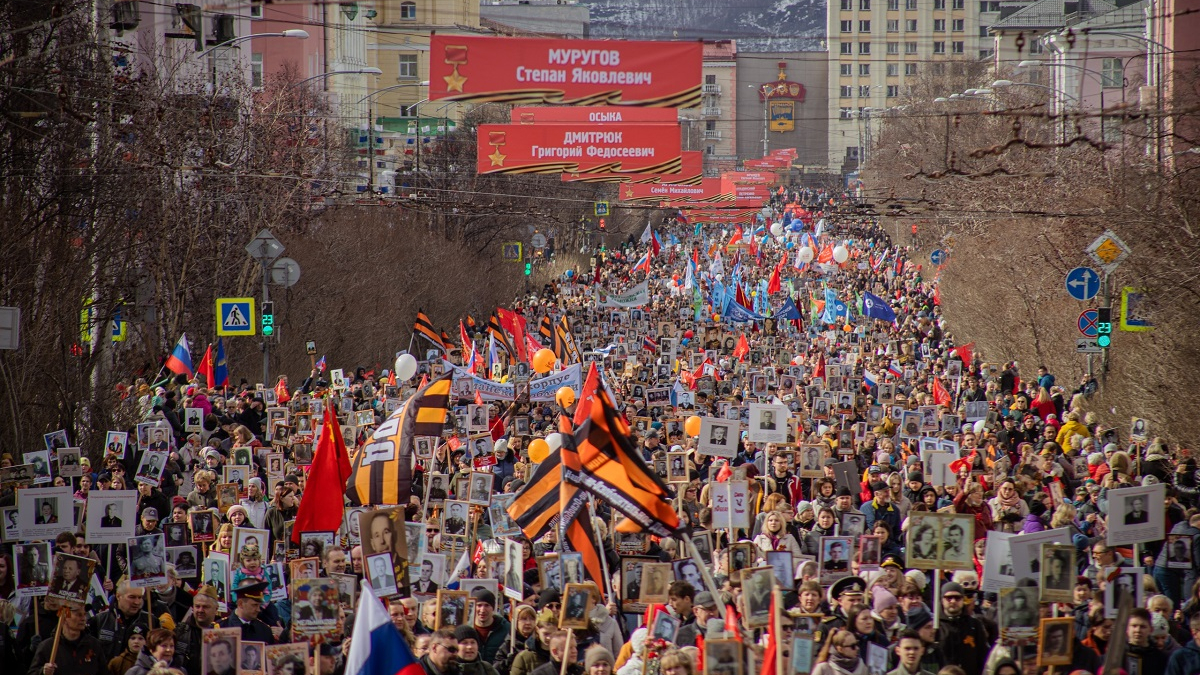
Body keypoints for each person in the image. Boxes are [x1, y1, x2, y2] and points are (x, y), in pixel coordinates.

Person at [28, 606, 104, 675]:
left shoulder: (94, 645)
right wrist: (43, 672)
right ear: (64, 617)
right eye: (79, 615)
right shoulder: (47, 647)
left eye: (84, 614)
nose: (84, 619)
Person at [936, 583, 991, 675]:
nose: (953, 601)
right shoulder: (935, 626)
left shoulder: (974, 625)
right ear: (942, 600)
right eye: (949, 598)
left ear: (963, 600)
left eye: (957, 598)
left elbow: (983, 655)